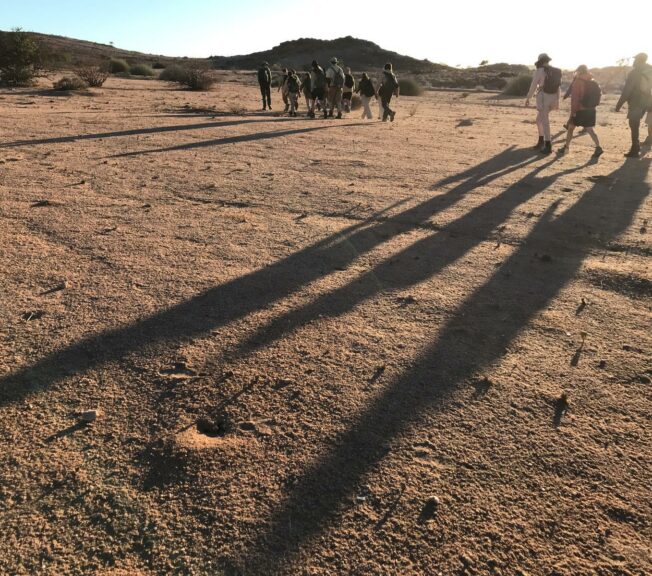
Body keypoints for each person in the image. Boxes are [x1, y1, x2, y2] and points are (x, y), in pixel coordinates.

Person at [558, 65, 603, 157]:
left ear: (578, 71)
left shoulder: (578, 82)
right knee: (590, 130)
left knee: (570, 128)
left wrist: (573, 112)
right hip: (591, 109)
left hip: (580, 110)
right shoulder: (593, 81)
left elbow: (575, 99)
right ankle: (598, 147)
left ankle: (566, 148)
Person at [615, 52, 652, 157]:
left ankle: (635, 149)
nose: (634, 61)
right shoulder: (650, 70)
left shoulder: (635, 73)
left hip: (636, 102)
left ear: (638, 60)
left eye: (635, 59)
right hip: (648, 101)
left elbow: (627, 90)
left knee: (634, 124)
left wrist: (619, 104)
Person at [525, 53, 561, 155]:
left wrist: (528, 97)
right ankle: (541, 141)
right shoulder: (556, 71)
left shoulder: (539, 71)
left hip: (543, 97)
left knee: (545, 122)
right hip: (553, 97)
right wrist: (557, 100)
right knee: (538, 120)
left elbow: (533, 85)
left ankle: (548, 145)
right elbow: (558, 86)